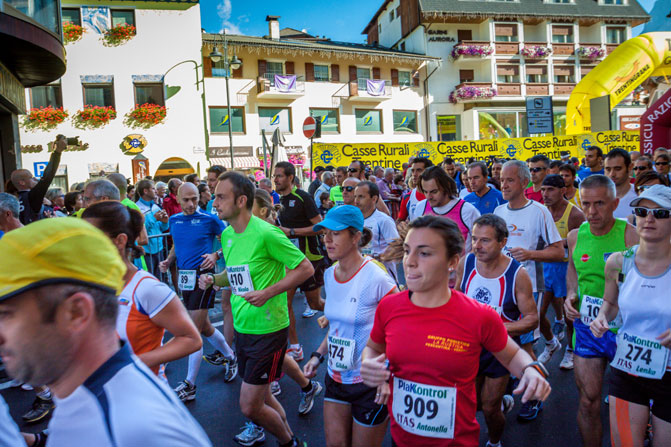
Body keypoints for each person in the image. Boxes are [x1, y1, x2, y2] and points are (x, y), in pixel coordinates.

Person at [0, 218, 212, 446]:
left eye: (7, 314)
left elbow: (191, 338)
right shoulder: (81, 391)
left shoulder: (135, 430)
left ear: (76, 313)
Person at [360, 216, 551, 447]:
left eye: (424, 253)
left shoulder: (479, 316)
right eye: (408, 250)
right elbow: (373, 347)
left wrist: (529, 369)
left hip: (457, 442)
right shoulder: (389, 307)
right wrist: (369, 364)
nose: (409, 262)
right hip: (401, 441)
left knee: (487, 403)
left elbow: (511, 355)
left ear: (452, 262)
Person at [199, 171, 315, 447]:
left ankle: (290, 441)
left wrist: (268, 292)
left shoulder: (266, 233)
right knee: (262, 398)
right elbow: (236, 272)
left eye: (220, 197)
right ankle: (287, 434)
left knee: (250, 406)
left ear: (241, 200)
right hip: (243, 327)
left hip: (268, 328)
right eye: (214, 196)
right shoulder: (227, 236)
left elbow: (305, 268)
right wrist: (214, 280)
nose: (214, 203)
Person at [303, 205, 398, 447]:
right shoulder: (329, 274)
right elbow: (337, 326)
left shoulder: (376, 277)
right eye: (324, 234)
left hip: (369, 383)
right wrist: (317, 356)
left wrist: (386, 375)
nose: (327, 240)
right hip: (336, 378)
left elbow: (399, 328)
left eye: (335, 233)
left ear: (356, 237)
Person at [82, 201, 201, 379]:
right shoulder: (88, 285)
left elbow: (191, 340)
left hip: (146, 397)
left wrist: (132, 363)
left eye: (90, 238)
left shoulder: (147, 288)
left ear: (120, 241)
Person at [591, 184, 671, 447]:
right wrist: (602, 317)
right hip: (628, 369)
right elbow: (611, 304)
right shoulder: (618, 261)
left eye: (660, 214)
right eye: (642, 211)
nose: (648, 218)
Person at [563, 175, 638, 447]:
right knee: (589, 400)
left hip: (626, 329)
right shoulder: (575, 236)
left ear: (615, 203)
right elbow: (572, 269)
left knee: (632, 404)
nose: (592, 212)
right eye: (586, 204)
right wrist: (571, 294)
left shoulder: (631, 234)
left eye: (600, 204)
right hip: (587, 327)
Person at [455, 214, 538, 447]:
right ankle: (503, 402)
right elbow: (458, 298)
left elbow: (532, 318)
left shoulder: (517, 274)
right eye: (474, 239)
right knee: (472, 404)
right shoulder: (467, 262)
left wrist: (496, 329)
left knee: (489, 408)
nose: (477, 246)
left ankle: (494, 442)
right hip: (469, 346)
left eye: (485, 241)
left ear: (503, 242)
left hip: (499, 350)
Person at [494, 160, 564, 421]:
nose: (503, 184)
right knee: (501, 342)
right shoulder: (499, 211)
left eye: (510, 180)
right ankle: (510, 390)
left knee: (525, 347)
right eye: (501, 179)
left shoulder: (539, 212)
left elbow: (558, 251)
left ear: (525, 183)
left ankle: (535, 397)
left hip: (530, 287)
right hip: (500, 288)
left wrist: (530, 253)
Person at [159, 182, 236, 401]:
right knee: (205, 327)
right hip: (185, 277)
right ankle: (231, 357)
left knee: (193, 331)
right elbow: (177, 244)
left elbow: (231, 240)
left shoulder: (209, 219)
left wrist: (216, 256)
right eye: (186, 200)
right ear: (178, 199)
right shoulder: (174, 220)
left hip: (204, 277)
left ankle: (190, 384)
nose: (191, 204)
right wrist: (168, 260)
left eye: (194, 199)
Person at [274, 161, 326, 360]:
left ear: (290, 178)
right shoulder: (279, 200)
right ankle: (295, 346)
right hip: (290, 260)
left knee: (315, 304)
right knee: (285, 302)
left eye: (279, 176)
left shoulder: (302, 197)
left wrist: (292, 232)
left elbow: (321, 227)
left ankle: (344, 312)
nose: (276, 180)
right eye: (275, 176)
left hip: (310, 258)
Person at [538, 175, 585, 370]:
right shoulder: (541, 212)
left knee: (570, 317)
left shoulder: (575, 214)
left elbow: (582, 243)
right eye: (542, 190)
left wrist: (561, 243)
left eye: (550, 190)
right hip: (545, 267)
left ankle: (571, 350)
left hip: (567, 269)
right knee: (536, 314)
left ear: (562, 190)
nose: (545, 194)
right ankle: (550, 343)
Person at [410, 166, 480, 253]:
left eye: (434, 192)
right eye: (425, 191)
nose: (429, 197)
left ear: (445, 187)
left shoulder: (467, 211)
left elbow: (479, 244)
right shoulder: (420, 207)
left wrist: (464, 263)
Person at [10, 135, 66, 224]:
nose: (35, 179)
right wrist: (57, 152)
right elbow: (47, 177)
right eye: (31, 177)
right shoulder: (31, 197)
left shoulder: (13, 201)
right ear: (22, 182)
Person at [354, 181, 400, 281]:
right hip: (360, 275)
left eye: (361, 197)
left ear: (374, 199)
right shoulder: (353, 220)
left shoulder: (384, 220)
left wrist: (377, 257)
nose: (356, 201)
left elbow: (397, 247)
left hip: (382, 277)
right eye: (355, 196)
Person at [135, 179, 169, 278]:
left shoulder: (155, 207)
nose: (155, 191)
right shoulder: (137, 208)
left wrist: (165, 222)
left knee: (161, 278)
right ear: (145, 191)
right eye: (153, 188)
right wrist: (154, 218)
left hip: (159, 249)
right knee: (150, 278)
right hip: (146, 251)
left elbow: (161, 228)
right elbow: (140, 227)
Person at [604, 148, 637, 219]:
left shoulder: (639, 195)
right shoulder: (598, 197)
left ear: (630, 167)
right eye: (608, 169)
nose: (612, 174)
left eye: (617, 169)